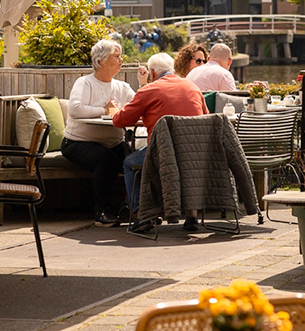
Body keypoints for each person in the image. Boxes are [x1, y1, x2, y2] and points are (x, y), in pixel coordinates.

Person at [113, 52, 207, 233]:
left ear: (153, 73)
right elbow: (205, 117)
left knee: (129, 164)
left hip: (162, 155)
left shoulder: (149, 90)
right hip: (194, 155)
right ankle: (192, 215)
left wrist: (115, 109)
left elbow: (119, 121)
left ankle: (141, 215)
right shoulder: (192, 87)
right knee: (183, 160)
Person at [61, 39, 136, 227]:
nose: (121, 60)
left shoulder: (122, 87)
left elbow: (139, 104)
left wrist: (143, 83)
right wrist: (104, 109)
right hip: (77, 142)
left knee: (135, 160)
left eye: (121, 56)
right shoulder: (85, 82)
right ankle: (102, 212)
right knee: (107, 160)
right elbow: (75, 110)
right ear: (101, 60)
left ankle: (134, 209)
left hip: (112, 142)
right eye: (116, 56)